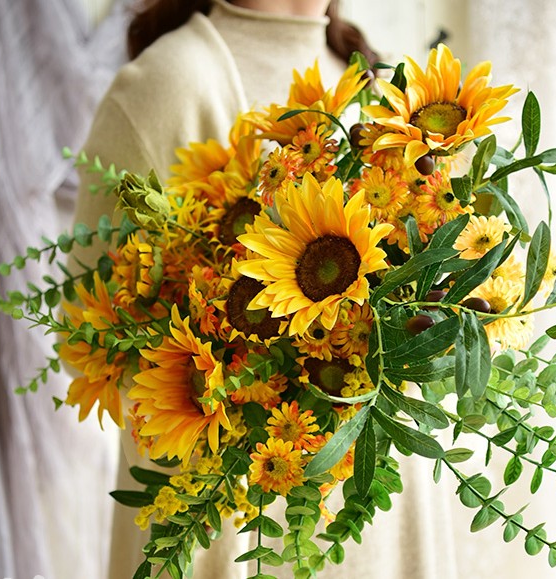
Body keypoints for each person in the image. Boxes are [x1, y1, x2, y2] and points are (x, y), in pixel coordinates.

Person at [72, 1, 459, 577]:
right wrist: (250, 376)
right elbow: (99, 343)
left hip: (383, 521)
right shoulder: (166, 86)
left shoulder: (378, 86)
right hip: (241, 539)